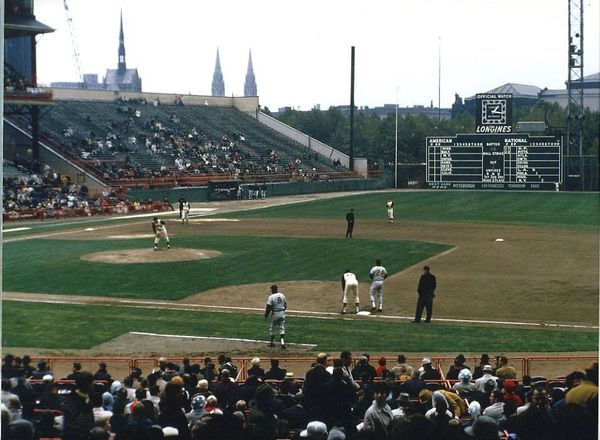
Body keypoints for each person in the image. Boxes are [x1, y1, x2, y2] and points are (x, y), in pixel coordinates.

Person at [265, 284, 287, 349]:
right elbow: (285, 305)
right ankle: (282, 343)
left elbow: (268, 307)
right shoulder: (282, 295)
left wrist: (266, 314)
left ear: (272, 290)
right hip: (282, 313)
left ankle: (272, 343)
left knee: (272, 328)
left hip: (275, 313)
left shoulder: (271, 297)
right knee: (281, 327)